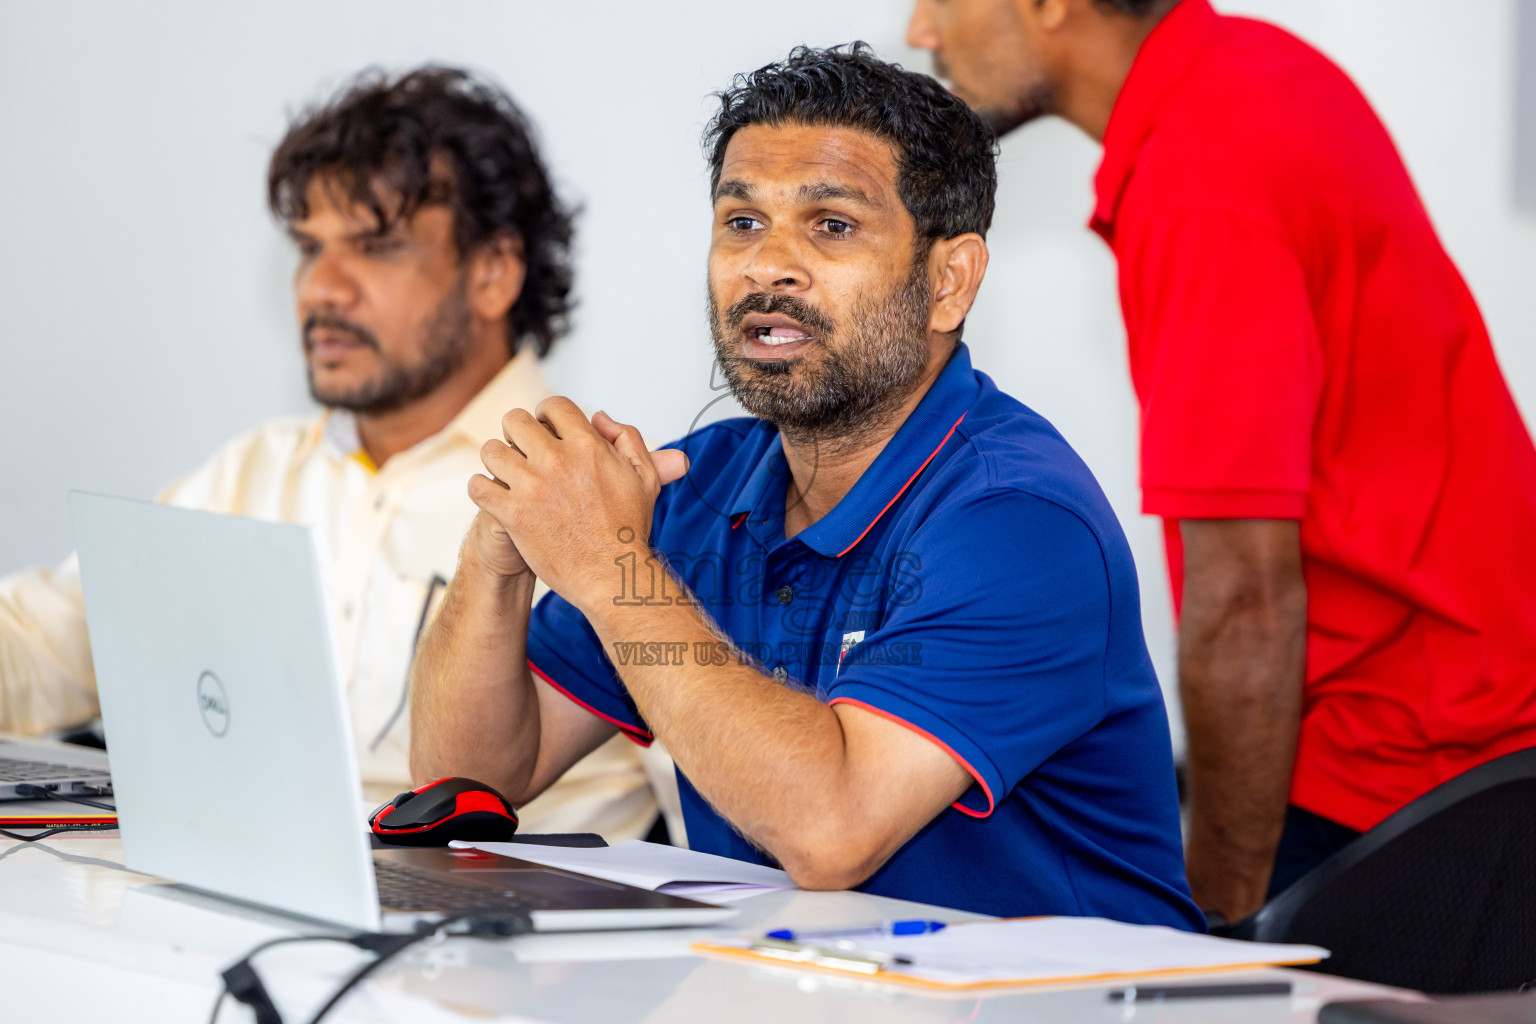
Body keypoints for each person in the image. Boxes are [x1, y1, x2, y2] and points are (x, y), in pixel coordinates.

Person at [410, 44, 1202, 927]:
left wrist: (608, 566)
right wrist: (502, 544)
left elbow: (831, 831)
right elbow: (466, 782)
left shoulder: (1019, 519)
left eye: (831, 224)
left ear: (949, 281)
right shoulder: (699, 485)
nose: (767, 266)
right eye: (741, 222)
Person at [905, 0, 1536, 921]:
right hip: (1460, 737)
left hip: (1409, 776)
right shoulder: (1252, 74)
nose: (922, 31)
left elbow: (1245, 601)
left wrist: (1218, 925)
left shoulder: (1203, 178)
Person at [0, 66, 675, 842]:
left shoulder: (613, 494)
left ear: (493, 272)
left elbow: (719, 820)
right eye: (308, 248)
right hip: (244, 906)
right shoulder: (251, 473)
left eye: (375, 247)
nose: (322, 287)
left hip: (513, 938)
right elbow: (42, 646)